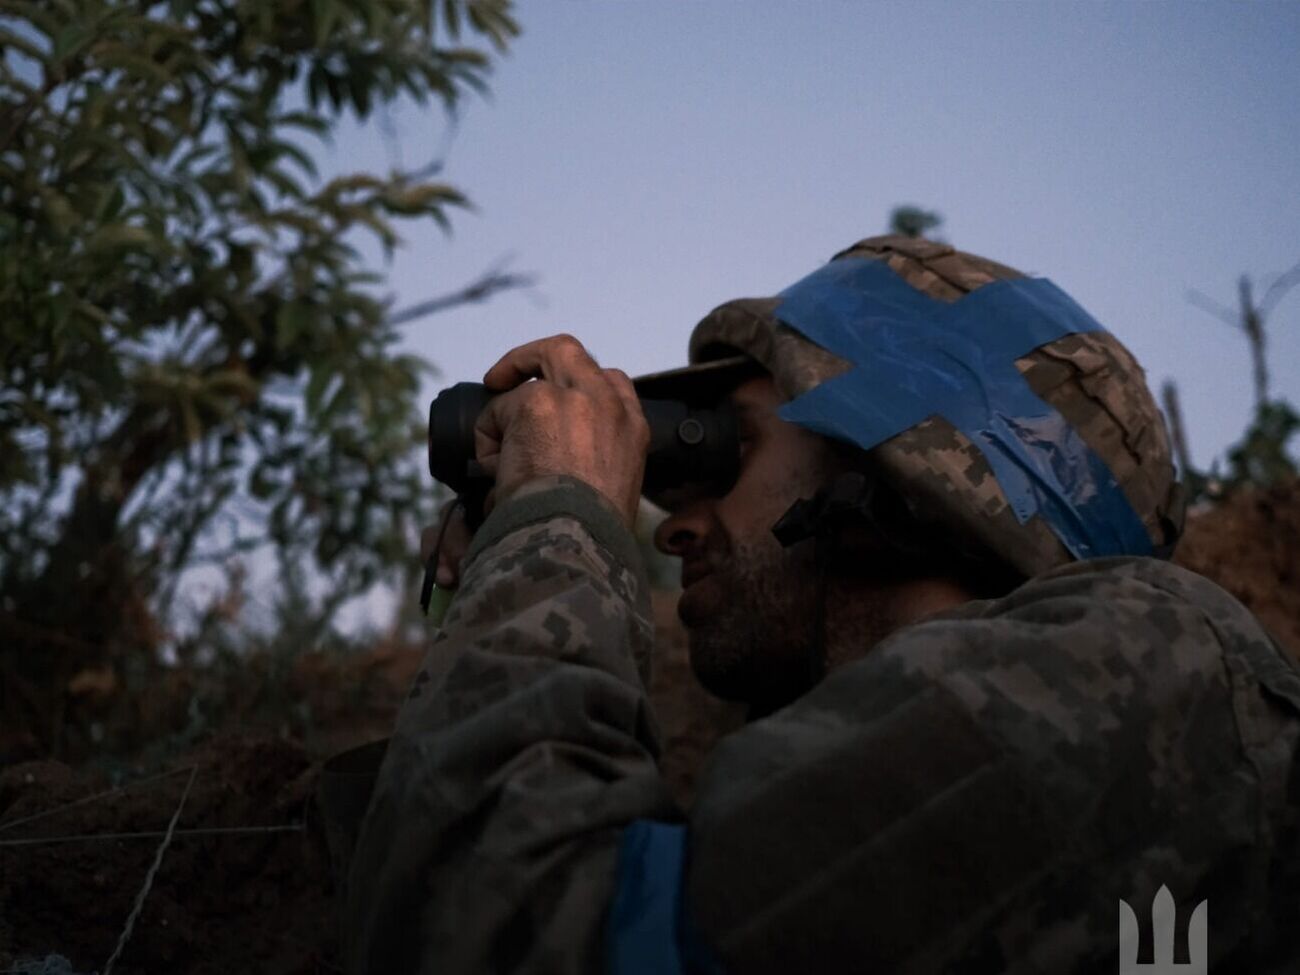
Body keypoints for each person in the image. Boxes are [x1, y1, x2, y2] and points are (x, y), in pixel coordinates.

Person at [340, 236, 1300, 973]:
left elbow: (501, 929)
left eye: (733, 449)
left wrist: (554, 526)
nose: (675, 529)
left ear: (892, 463)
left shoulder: (1142, 659)